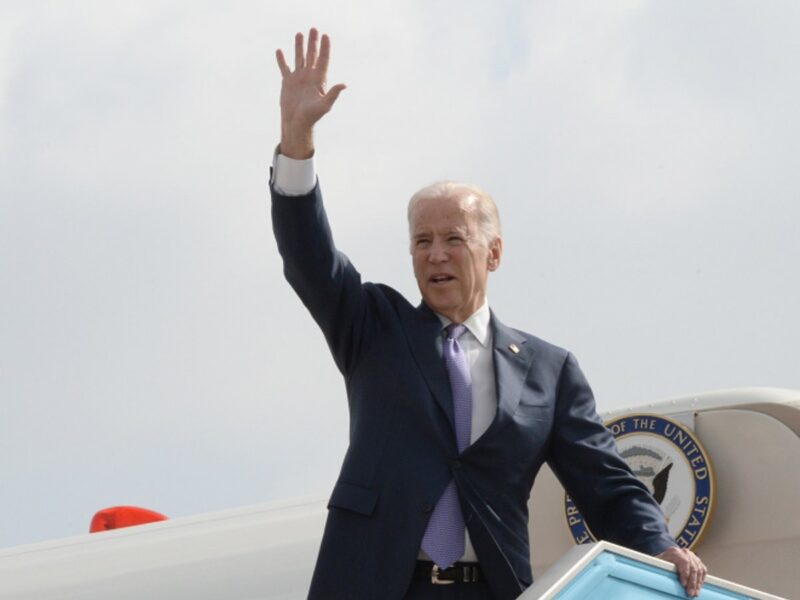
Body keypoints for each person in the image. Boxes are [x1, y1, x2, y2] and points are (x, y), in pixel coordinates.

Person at [270, 28, 707, 600]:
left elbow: (609, 487)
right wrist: (296, 140)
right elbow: (309, 257)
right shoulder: (374, 326)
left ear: (493, 252)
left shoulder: (550, 371)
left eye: (453, 238)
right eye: (422, 241)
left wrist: (661, 546)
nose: (435, 254)